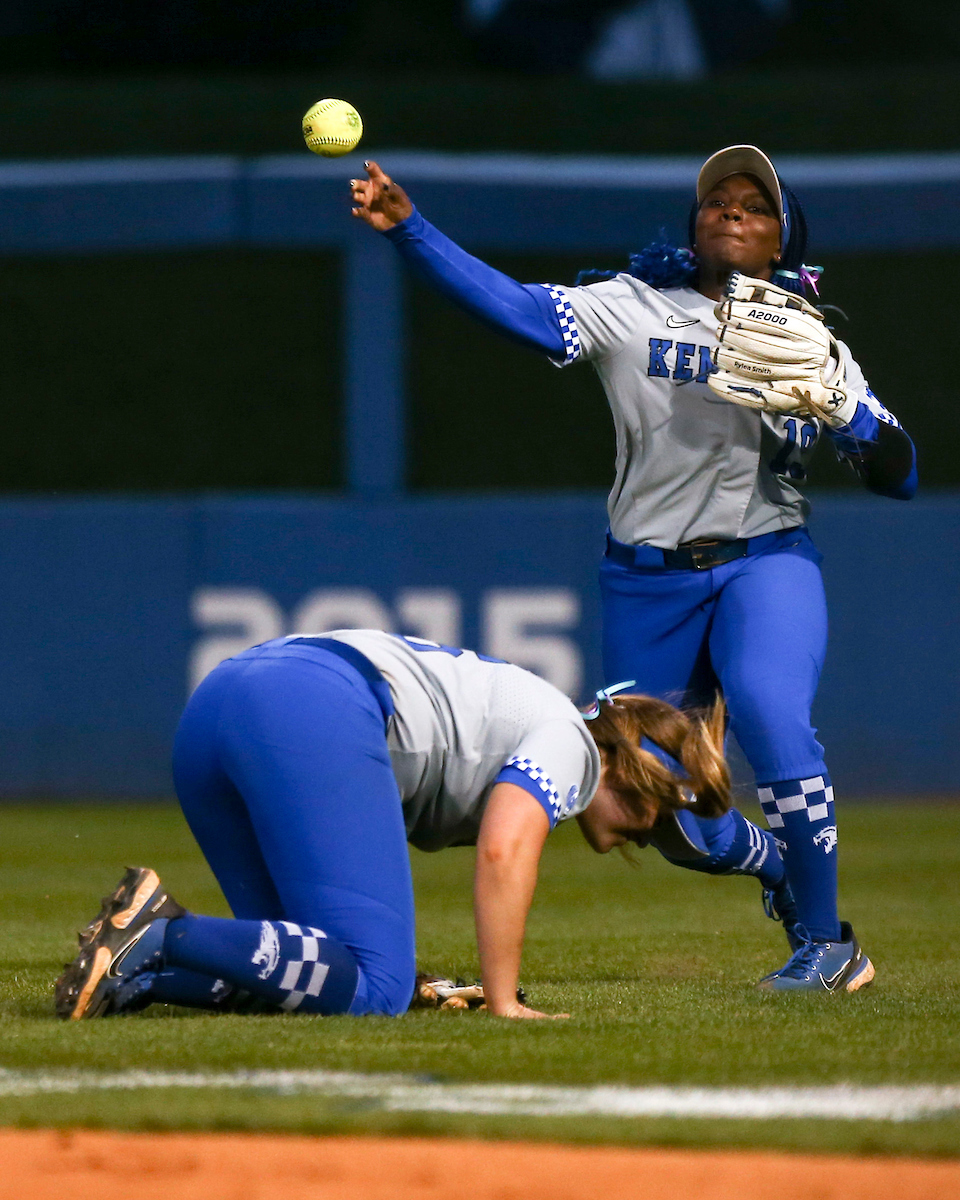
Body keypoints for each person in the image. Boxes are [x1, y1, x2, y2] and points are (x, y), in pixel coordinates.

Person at [346, 145, 915, 992]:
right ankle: (772, 870)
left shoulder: (811, 342)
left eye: (753, 206)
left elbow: (900, 473)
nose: (728, 209)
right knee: (654, 804)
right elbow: (520, 310)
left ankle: (829, 943)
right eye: (716, 199)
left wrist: (849, 415)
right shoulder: (632, 307)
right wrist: (409, 229)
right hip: (648, 579)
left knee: (768, 709)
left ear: (782, 242)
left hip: (768, 561)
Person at [55, 630, 737, 1021]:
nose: (651, 831)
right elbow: (504, 848)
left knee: (304, 979)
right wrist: (503, 1000)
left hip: (222, 703)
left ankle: (137, 971)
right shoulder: (577, 745)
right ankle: (160, 928)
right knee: (375, 989)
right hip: (311, 705)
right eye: (660, 809)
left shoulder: (552, 723)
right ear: (630, 766)